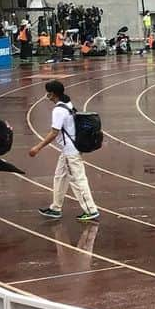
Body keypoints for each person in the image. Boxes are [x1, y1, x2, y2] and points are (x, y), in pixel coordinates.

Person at [29, 81, 100, 221]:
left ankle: (91, 210)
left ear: (52, 94)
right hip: (69, 149)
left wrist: (38, 147)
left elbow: (54, 133)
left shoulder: (58, 110)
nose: (46, 95)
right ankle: (55, 208)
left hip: (70, 151)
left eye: (47, 92)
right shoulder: (67, 103)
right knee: (60, 177)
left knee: (77, 179)